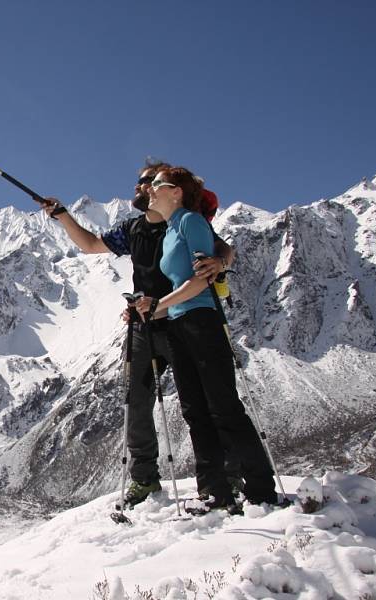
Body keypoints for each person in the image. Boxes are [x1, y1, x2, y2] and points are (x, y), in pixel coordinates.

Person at [41, 162, 233, 508]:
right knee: (137, 402)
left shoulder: (182, 222)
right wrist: (63, 215)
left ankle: (223, 475)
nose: (139, 188)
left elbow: (223, 249)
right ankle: (144, 478)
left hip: (182, 319)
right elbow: (90, 245)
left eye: (146, 182)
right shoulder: (133, 229)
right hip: (144, 325)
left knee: (200, 401)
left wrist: (220, 264)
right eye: (141, 182)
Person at [134, 166, 277, 512]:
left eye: (157, 185)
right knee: (195, 411)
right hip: (179, 326)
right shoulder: (169, 231)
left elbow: (202, 280)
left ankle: (260, 489)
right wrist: (147, 308)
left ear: (176, 192)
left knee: (224, 407)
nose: (149, 190)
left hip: (202, 320)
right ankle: (213, 490)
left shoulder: (190, 222)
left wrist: (158, 305)